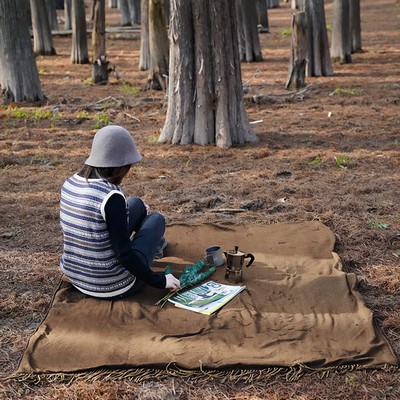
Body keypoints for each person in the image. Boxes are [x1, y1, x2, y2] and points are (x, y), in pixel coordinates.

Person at [59, 125, 180, 299]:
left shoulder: (70, 182)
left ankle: (152, 239)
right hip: (111, 285)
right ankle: (155, 246)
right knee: (155, 220)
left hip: (75, 275)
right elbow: (124, 254)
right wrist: (160, 281)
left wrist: (125, 213)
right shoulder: (111, 197)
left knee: (136, 203)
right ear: (121, 166)